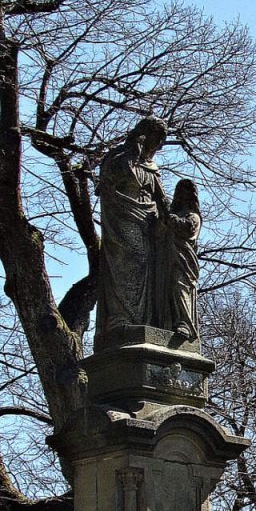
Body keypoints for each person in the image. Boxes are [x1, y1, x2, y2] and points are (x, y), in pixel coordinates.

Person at [93, 115, 168, 348]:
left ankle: (143, 320)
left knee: (147, 266)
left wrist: (174, 218)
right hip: (122, 219)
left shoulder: (151, 167)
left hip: (148, 222)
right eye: (158, 139)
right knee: (129, 263)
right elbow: (105, 189)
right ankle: (120, 319)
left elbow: (161, 198)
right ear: (146, 135)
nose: (160, 146)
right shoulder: (120, 159)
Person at [161, 178, 202, 345]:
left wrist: (170, 218)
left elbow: (186, 228)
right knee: (166, 289)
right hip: (166, 257)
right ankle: (168, 322)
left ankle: (185, 323)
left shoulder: (193, 216)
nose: (182, 195)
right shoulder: (171, 214)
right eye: (180, 191)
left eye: (186, 192)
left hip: (184, 260)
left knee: (180, 287)